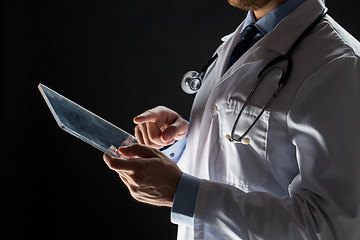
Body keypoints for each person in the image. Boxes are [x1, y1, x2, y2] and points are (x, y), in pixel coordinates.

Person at [103, 0, 360, 239]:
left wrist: (182, 194)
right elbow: (253, 154)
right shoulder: (246, 37)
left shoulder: (339, 64)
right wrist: (184, 139)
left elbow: (330, 227)